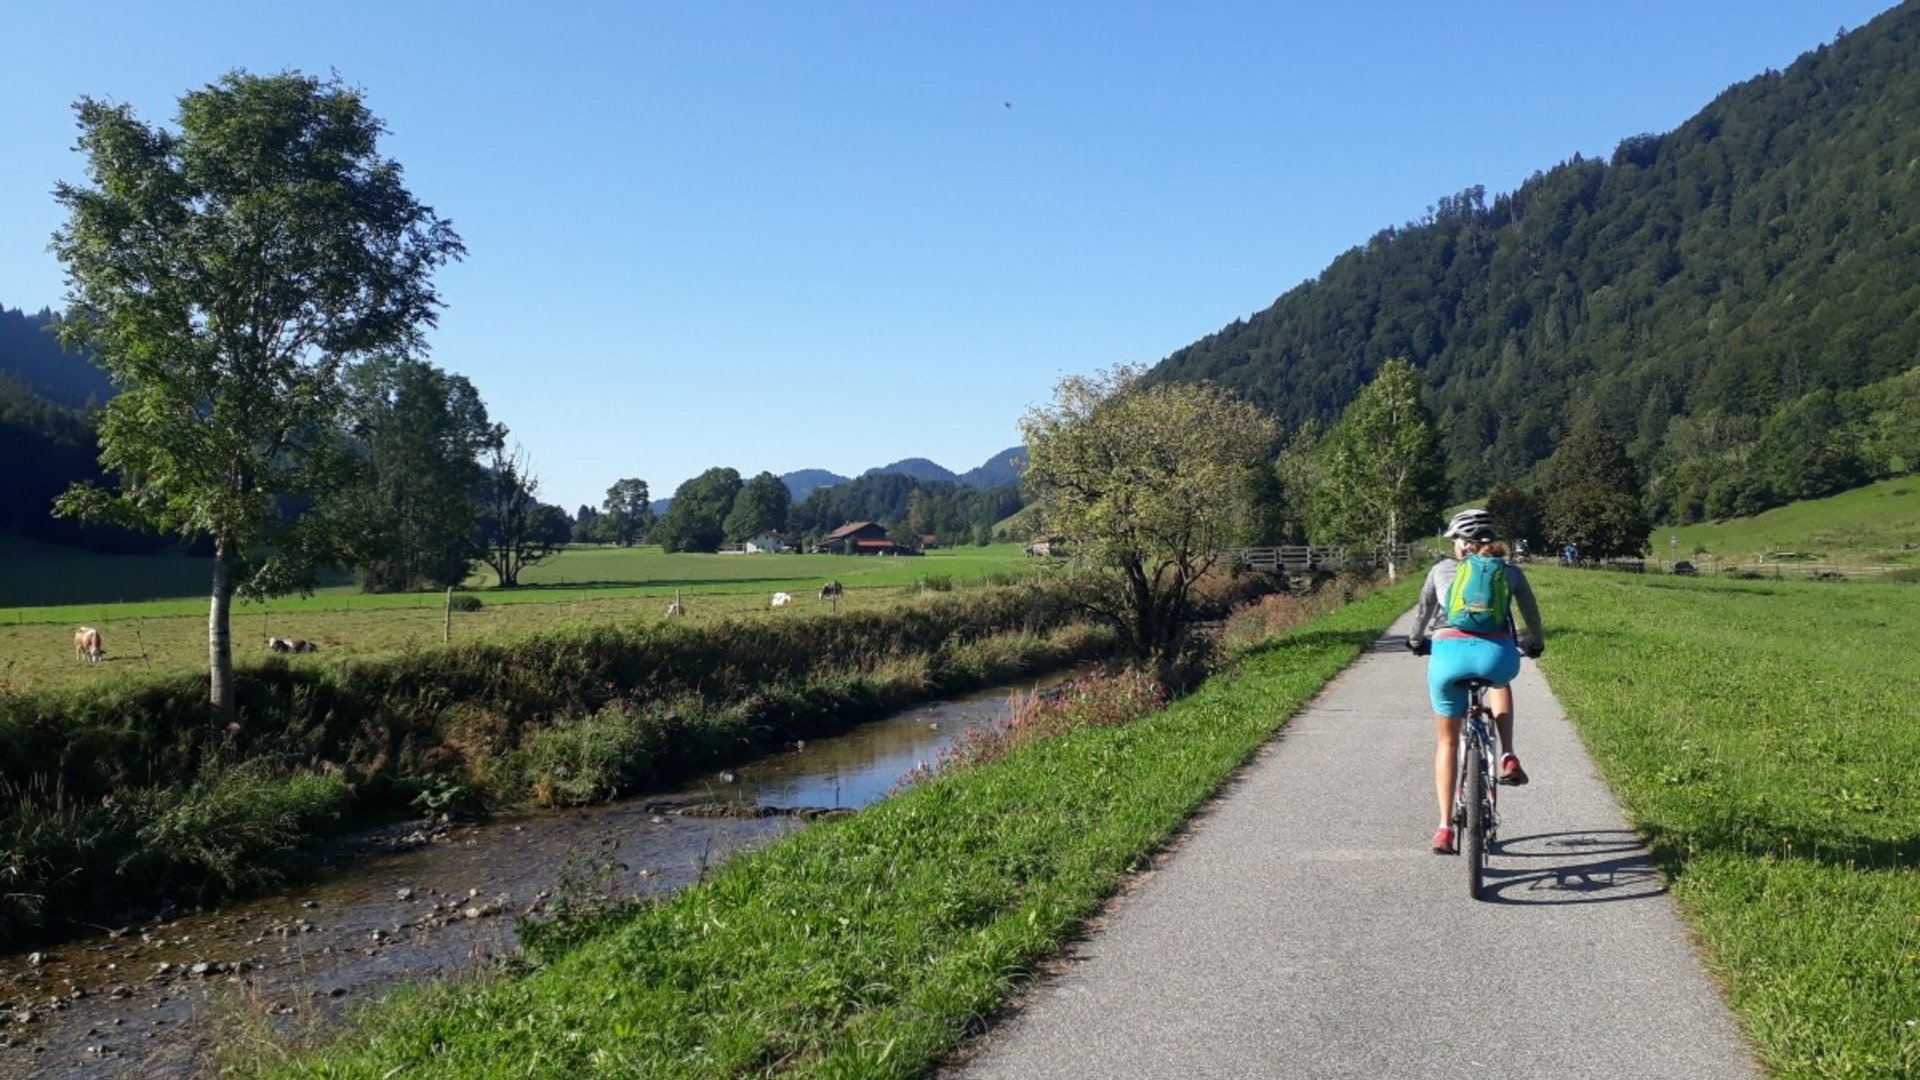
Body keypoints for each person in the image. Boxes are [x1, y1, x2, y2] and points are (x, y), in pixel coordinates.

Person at [1407, 509, 1545, 854]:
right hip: (1496, 656)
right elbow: (1530, 612)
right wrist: (1535, 641)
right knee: (1499, 683)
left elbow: (1422, 613)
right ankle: (1509, 753)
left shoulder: (1441, 570)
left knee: (1448, 743)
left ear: (1459, 543)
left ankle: (1443, 828)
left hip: (1448, 659)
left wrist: (1414, 642)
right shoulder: (1509, 571)